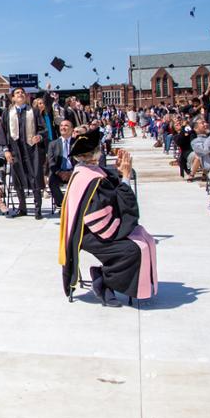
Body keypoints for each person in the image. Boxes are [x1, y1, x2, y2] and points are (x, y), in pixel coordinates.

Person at [58, 129, 158, 307]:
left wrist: (119, 172)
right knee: (132, 250)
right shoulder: (90, 179)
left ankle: (108, 279)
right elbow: (102, 216)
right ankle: (103, 280)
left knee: (143, 237)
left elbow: (109, 187)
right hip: (89, 233)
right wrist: (126, 178)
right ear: (92, 156)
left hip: (91, 227)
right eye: (98, 149)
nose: (101, 152)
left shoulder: (86, 171)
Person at [0, 86, 45, 219]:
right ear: (13, 98)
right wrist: (6, 150)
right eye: (17, 93)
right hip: (14, 151)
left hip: (31, 150)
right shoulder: (7, 113)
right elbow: (3, 132)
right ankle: (22, 208)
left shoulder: (34, 111)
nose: (20, 94)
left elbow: (43, 129)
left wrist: (39, 137)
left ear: (26, 96)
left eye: (22, 92)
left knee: (34, 177)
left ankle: (38, 210)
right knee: (17, 179)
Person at [47, 119, 75, 209]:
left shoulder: (77, 143)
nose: (63, 127)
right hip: (58, 172)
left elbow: (81, 161)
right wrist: (60, 172)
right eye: (61, 126)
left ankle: (75, 204)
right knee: (51, 181)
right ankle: (63, 204)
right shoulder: (53, 144)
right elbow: (51, 162)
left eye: (66, 125)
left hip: (73, 172)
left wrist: (71, 173)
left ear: (72, 129)